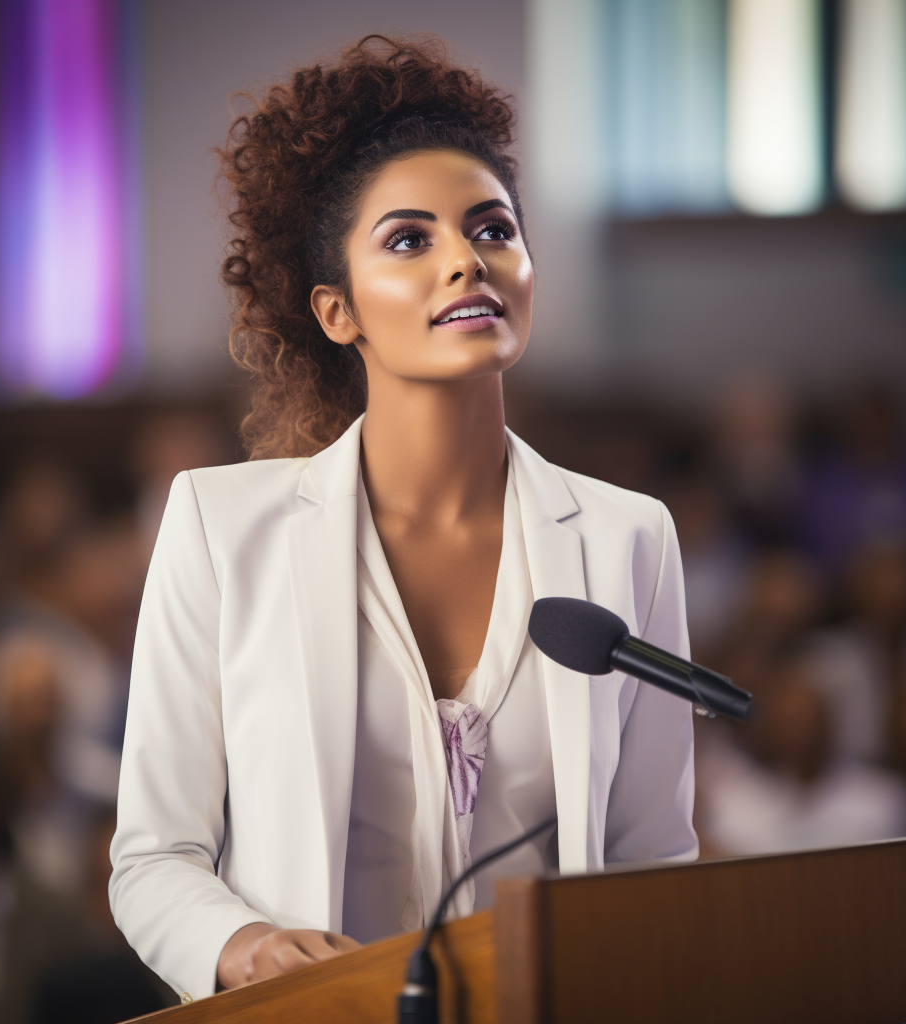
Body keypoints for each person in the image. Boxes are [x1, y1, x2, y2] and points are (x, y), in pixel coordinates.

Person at [109, 35, 697, 1004]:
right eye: (410, 239)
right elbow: (154, 858)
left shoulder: (627, 536)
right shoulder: (221, 528)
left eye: (493, 229)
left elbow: (649, 859)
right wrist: (245, 945)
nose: (466, 261)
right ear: (338, 312)